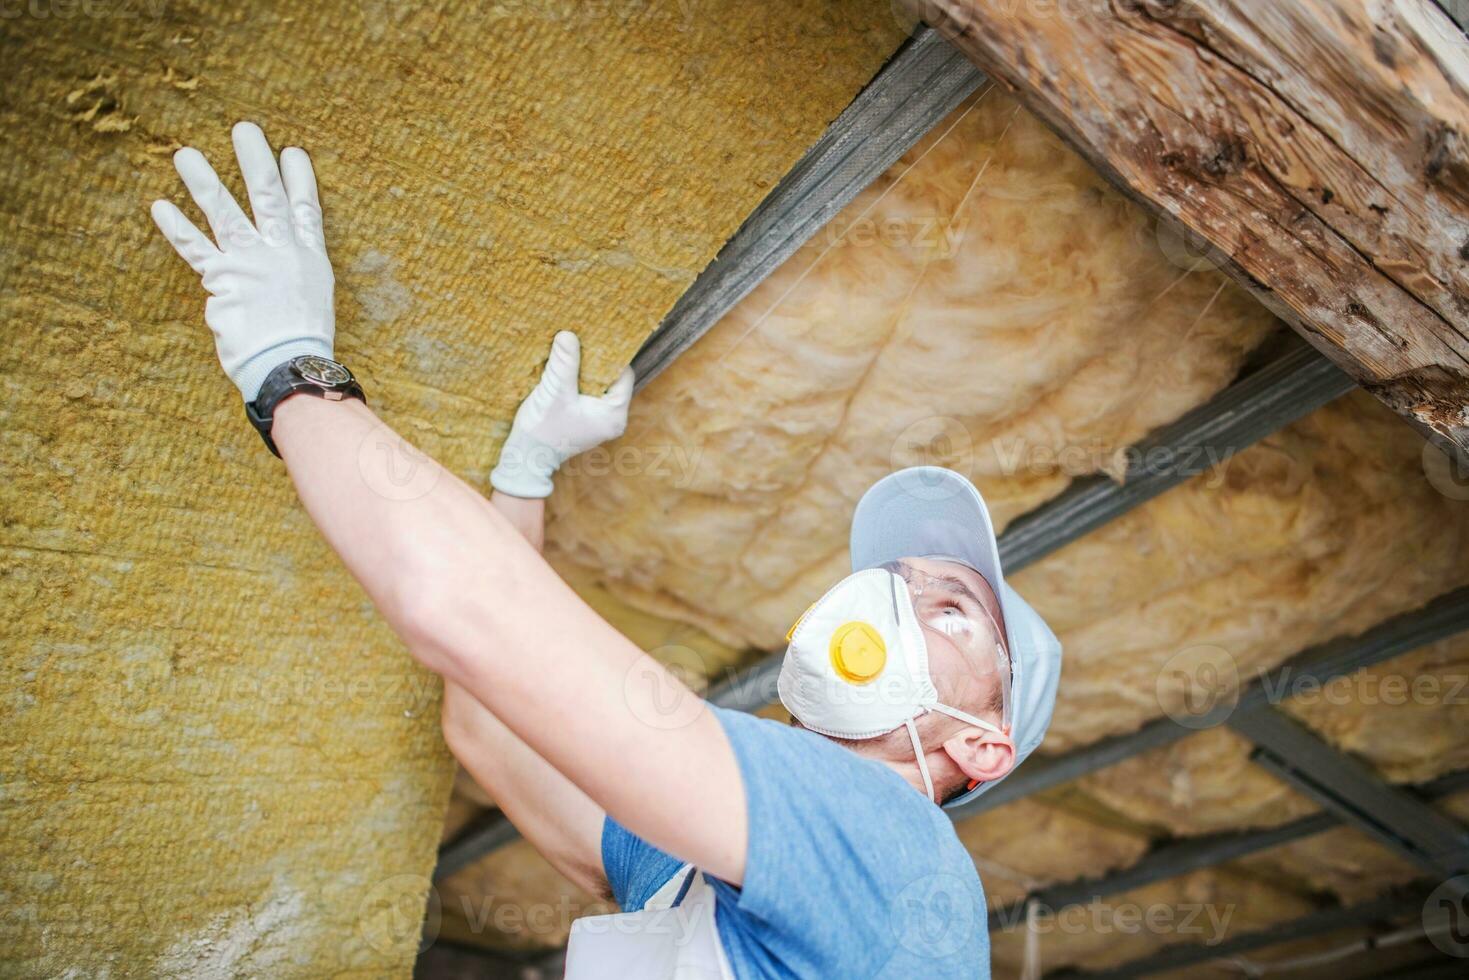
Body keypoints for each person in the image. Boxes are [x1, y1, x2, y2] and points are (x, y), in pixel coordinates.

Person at [150, 122, 1062, 979]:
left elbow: (463, 611)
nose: (890, 603)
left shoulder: (893, 851)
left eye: (950, 610)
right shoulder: (707, 867)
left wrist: (288, 367)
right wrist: (525, 473)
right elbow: (486, 731)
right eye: (889, 583)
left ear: (982, 750)